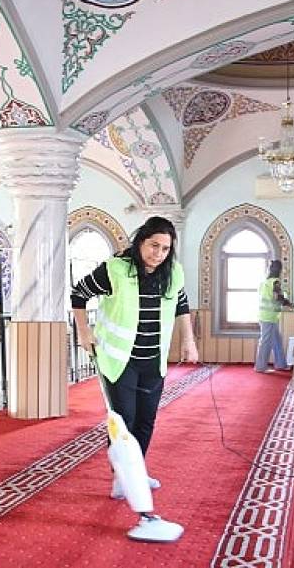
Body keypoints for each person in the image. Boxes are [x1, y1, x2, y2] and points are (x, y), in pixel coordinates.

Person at [71, 215, 198, 542]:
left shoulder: (173, 273)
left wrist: (189, 340)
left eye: (165, 249)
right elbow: (78, 294)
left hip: (152, 360)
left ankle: (135, 474)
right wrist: (84, 332)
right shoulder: (116, 269)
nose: (159, 253)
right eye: (154, 245)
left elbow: (182, 305)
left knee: (145, 421)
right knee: (122, 422)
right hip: (118, 360)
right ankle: (121, 478)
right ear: (141, 241)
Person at [255, 259, 294, 373]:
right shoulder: (275, 282)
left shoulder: (265, 282)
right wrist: (289, 304)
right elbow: (277, 297)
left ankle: (281, 364)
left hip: (265, 316)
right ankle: (260, 367)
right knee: (266, 342)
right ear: (279, 270)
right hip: (269, 317)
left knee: (276, 340)